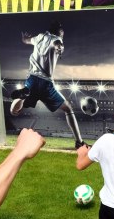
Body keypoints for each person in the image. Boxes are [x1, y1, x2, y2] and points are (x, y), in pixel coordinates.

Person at [9, 21, 87, 149]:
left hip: (32, 79)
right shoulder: (57, 40)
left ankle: (23, 96)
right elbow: (57, 44)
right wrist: (59, 47)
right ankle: (79, 142)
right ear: (59, 32)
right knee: (68, 109)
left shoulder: (39, 37)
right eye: (62, 33)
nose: (63, 36)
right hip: (46, 83)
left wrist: (24, 38)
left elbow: (26, 40)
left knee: (14, 112)